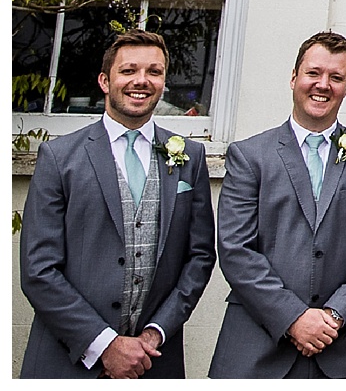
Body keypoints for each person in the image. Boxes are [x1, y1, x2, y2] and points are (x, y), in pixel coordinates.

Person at [18, 30, 216, 379]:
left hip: (155, 361)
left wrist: (156, 332)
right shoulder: (59, 157)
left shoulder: (190, 157)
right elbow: (38, 270)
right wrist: (104, 344)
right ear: (105, 81)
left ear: (164, 81)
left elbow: (199, 257)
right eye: (129, 71)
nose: (142, 80)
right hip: (67, 361)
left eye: (154, 71)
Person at [212, 31, 346, 378]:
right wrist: (293, 317)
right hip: (259, 347)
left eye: (336, 77)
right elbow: (236, 250)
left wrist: (335, 315)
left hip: (342, 349)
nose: (323, 85)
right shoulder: (249, 155)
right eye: (314, 73)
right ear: (294, 77)